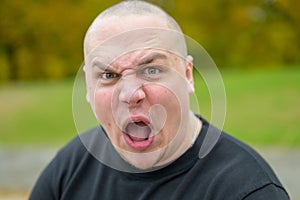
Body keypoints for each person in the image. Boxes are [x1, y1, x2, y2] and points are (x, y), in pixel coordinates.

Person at [30, 1, 289, 199]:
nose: (131, 94)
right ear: (87, 87)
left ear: (187, 75)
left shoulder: (246, 190)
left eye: (151, 70)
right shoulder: (69, 169)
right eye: (108, 75)